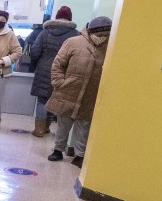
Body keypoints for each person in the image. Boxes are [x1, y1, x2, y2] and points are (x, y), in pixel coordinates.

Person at [47, 16, 113, 168]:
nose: (102, 38)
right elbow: (58, 64)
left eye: (106, 35)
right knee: (63, 123)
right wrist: (59, 83)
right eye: (100, 34)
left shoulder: (110, 47)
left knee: (84, 125)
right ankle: (58, 150)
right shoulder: (73, 42)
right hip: (68, 90)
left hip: (91, 93)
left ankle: (79, 155)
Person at [29, 6, 79, 137]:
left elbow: (34, 51)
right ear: (70, 18)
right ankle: (46, 127)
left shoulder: (45, 32)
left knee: (42, 100)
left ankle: (39, 129)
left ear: (56, 17)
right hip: (63, 71)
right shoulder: (75, 34)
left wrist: (36, 64)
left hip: (44, 69)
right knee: (55, 100)